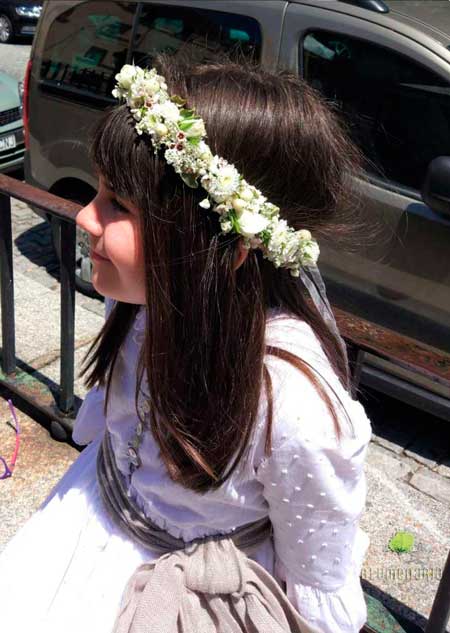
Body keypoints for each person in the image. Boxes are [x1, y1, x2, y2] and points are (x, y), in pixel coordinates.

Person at [0, 56, 372, 633]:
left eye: (118, 206)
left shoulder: (292, 406)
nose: (84, 216)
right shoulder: (147, 295)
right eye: (97, 193)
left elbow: (316, 582)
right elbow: (114, 420)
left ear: (223, 248)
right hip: (92, 521)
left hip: (194, 601)